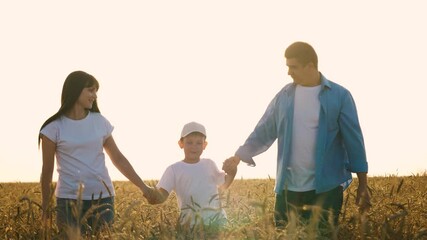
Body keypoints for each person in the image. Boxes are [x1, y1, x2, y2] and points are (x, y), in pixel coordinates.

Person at [223, 42, 371, 230]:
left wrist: (363, 185)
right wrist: (238, 156)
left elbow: (354, 141)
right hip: (287, 190)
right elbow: (263, 131)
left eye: (293, 67)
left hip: (326, 190)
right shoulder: (283, 96)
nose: (288, 72)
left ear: (310, 66)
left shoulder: (340, 96)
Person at [39, 70, 150, 237]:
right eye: (90, 90)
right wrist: (45, 207)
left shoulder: (100, 122)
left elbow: (118, 159)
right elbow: (47, 171)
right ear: (75, 90)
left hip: (102, 199)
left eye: (95, 91)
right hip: (68, 201)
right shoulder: (52, 127)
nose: (95, 95)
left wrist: (144, 187)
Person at [145, 121, 236, 233]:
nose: (194, 147)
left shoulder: (209, 164)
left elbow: (224, 184)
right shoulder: (173, 170)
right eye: (189, 142)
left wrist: (232, 172)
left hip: (217, 221)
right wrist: (148, 192)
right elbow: (161, 196)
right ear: (181, 143)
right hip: (190, 226)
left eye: (199, 143)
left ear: (205, 145)